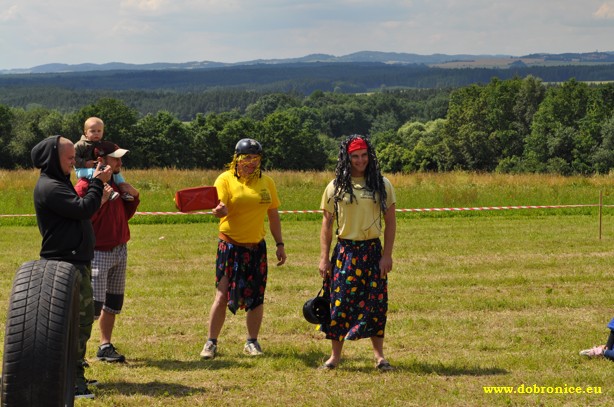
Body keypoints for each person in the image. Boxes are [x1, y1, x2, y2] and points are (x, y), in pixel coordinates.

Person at [31, 135, 113, 399]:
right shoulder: (50, 187)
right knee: (76, 325)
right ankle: (73, 383)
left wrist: (94, 190)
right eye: (68, 159)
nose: (73, 163)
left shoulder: (59, 183)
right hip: (66, 264)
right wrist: (97, 184)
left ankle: (76, 374)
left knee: (81, 322)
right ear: (52, 159)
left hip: (75, 262)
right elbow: (82, 209)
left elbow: (81, 210)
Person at [200, 138, 287, 360]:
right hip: (230, 246)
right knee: (222, 295)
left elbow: (273, 215)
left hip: (257, 248)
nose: (251, 162)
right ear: (236, 159)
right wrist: (219, 211)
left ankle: (251, 342)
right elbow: (219, 205)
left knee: (257, 297)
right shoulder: (225, 179)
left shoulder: (267, 182)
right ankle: (211, 342)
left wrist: (280, 244)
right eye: (246, 158)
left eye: (255, 158)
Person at [317, 134, 397, 371]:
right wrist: (324, 258)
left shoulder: (382, 185)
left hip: (373, 251)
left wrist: (387, 255)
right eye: (355, 156)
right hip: (346, 252)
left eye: (364, 155)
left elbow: (391, 222)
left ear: (369, 157)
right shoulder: (335, 187)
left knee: (376, 305)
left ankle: (380, 357)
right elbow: (326, 224)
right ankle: (334, 357)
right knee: (339, 305)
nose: (360, 160)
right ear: (347, 158)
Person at [75, 141, 140, 364]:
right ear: (101, 160)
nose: (120, 162)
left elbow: (123, 216)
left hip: (120, 249)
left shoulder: (116, 183)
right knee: (91, 307)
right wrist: (101, 201)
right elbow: (81, 221)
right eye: (115, 159)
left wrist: (134, 196)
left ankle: (105, 346)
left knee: (113, 302)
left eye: (120, 159)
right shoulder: (86, 186)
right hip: (98, 252)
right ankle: (77, 354)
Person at [74, 116, 134, 201]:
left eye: (99, 131)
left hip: (96, 167)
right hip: (81, 169)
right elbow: (72, 157)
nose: (96, 133)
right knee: (95, 173)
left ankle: (124, 191)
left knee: (116, 173)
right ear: (86, 132)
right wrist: (84, 163)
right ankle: (108, 191)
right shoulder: (80, 145)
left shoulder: (101, 144)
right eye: (93, 131)